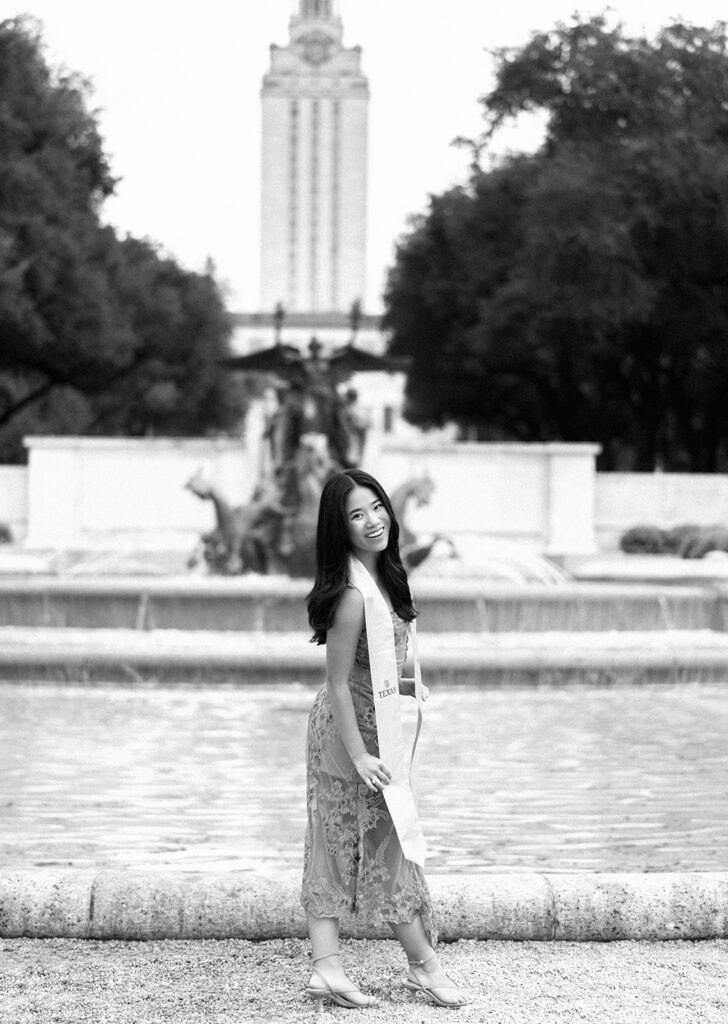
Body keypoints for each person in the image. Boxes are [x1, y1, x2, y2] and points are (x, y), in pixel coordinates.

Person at [301, 468, 470, 1010]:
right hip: (349, 738)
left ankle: (331, 968)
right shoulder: (352, 595)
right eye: (356, 514)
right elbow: (335, 681)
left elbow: (374, 665)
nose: (372, 520)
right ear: (339, 527)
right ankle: (421, 967)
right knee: (355, 845)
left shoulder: (384, 578)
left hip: (380, 728)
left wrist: (405, 687)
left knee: (382, 846)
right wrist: (358, 753)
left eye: (376, 507)